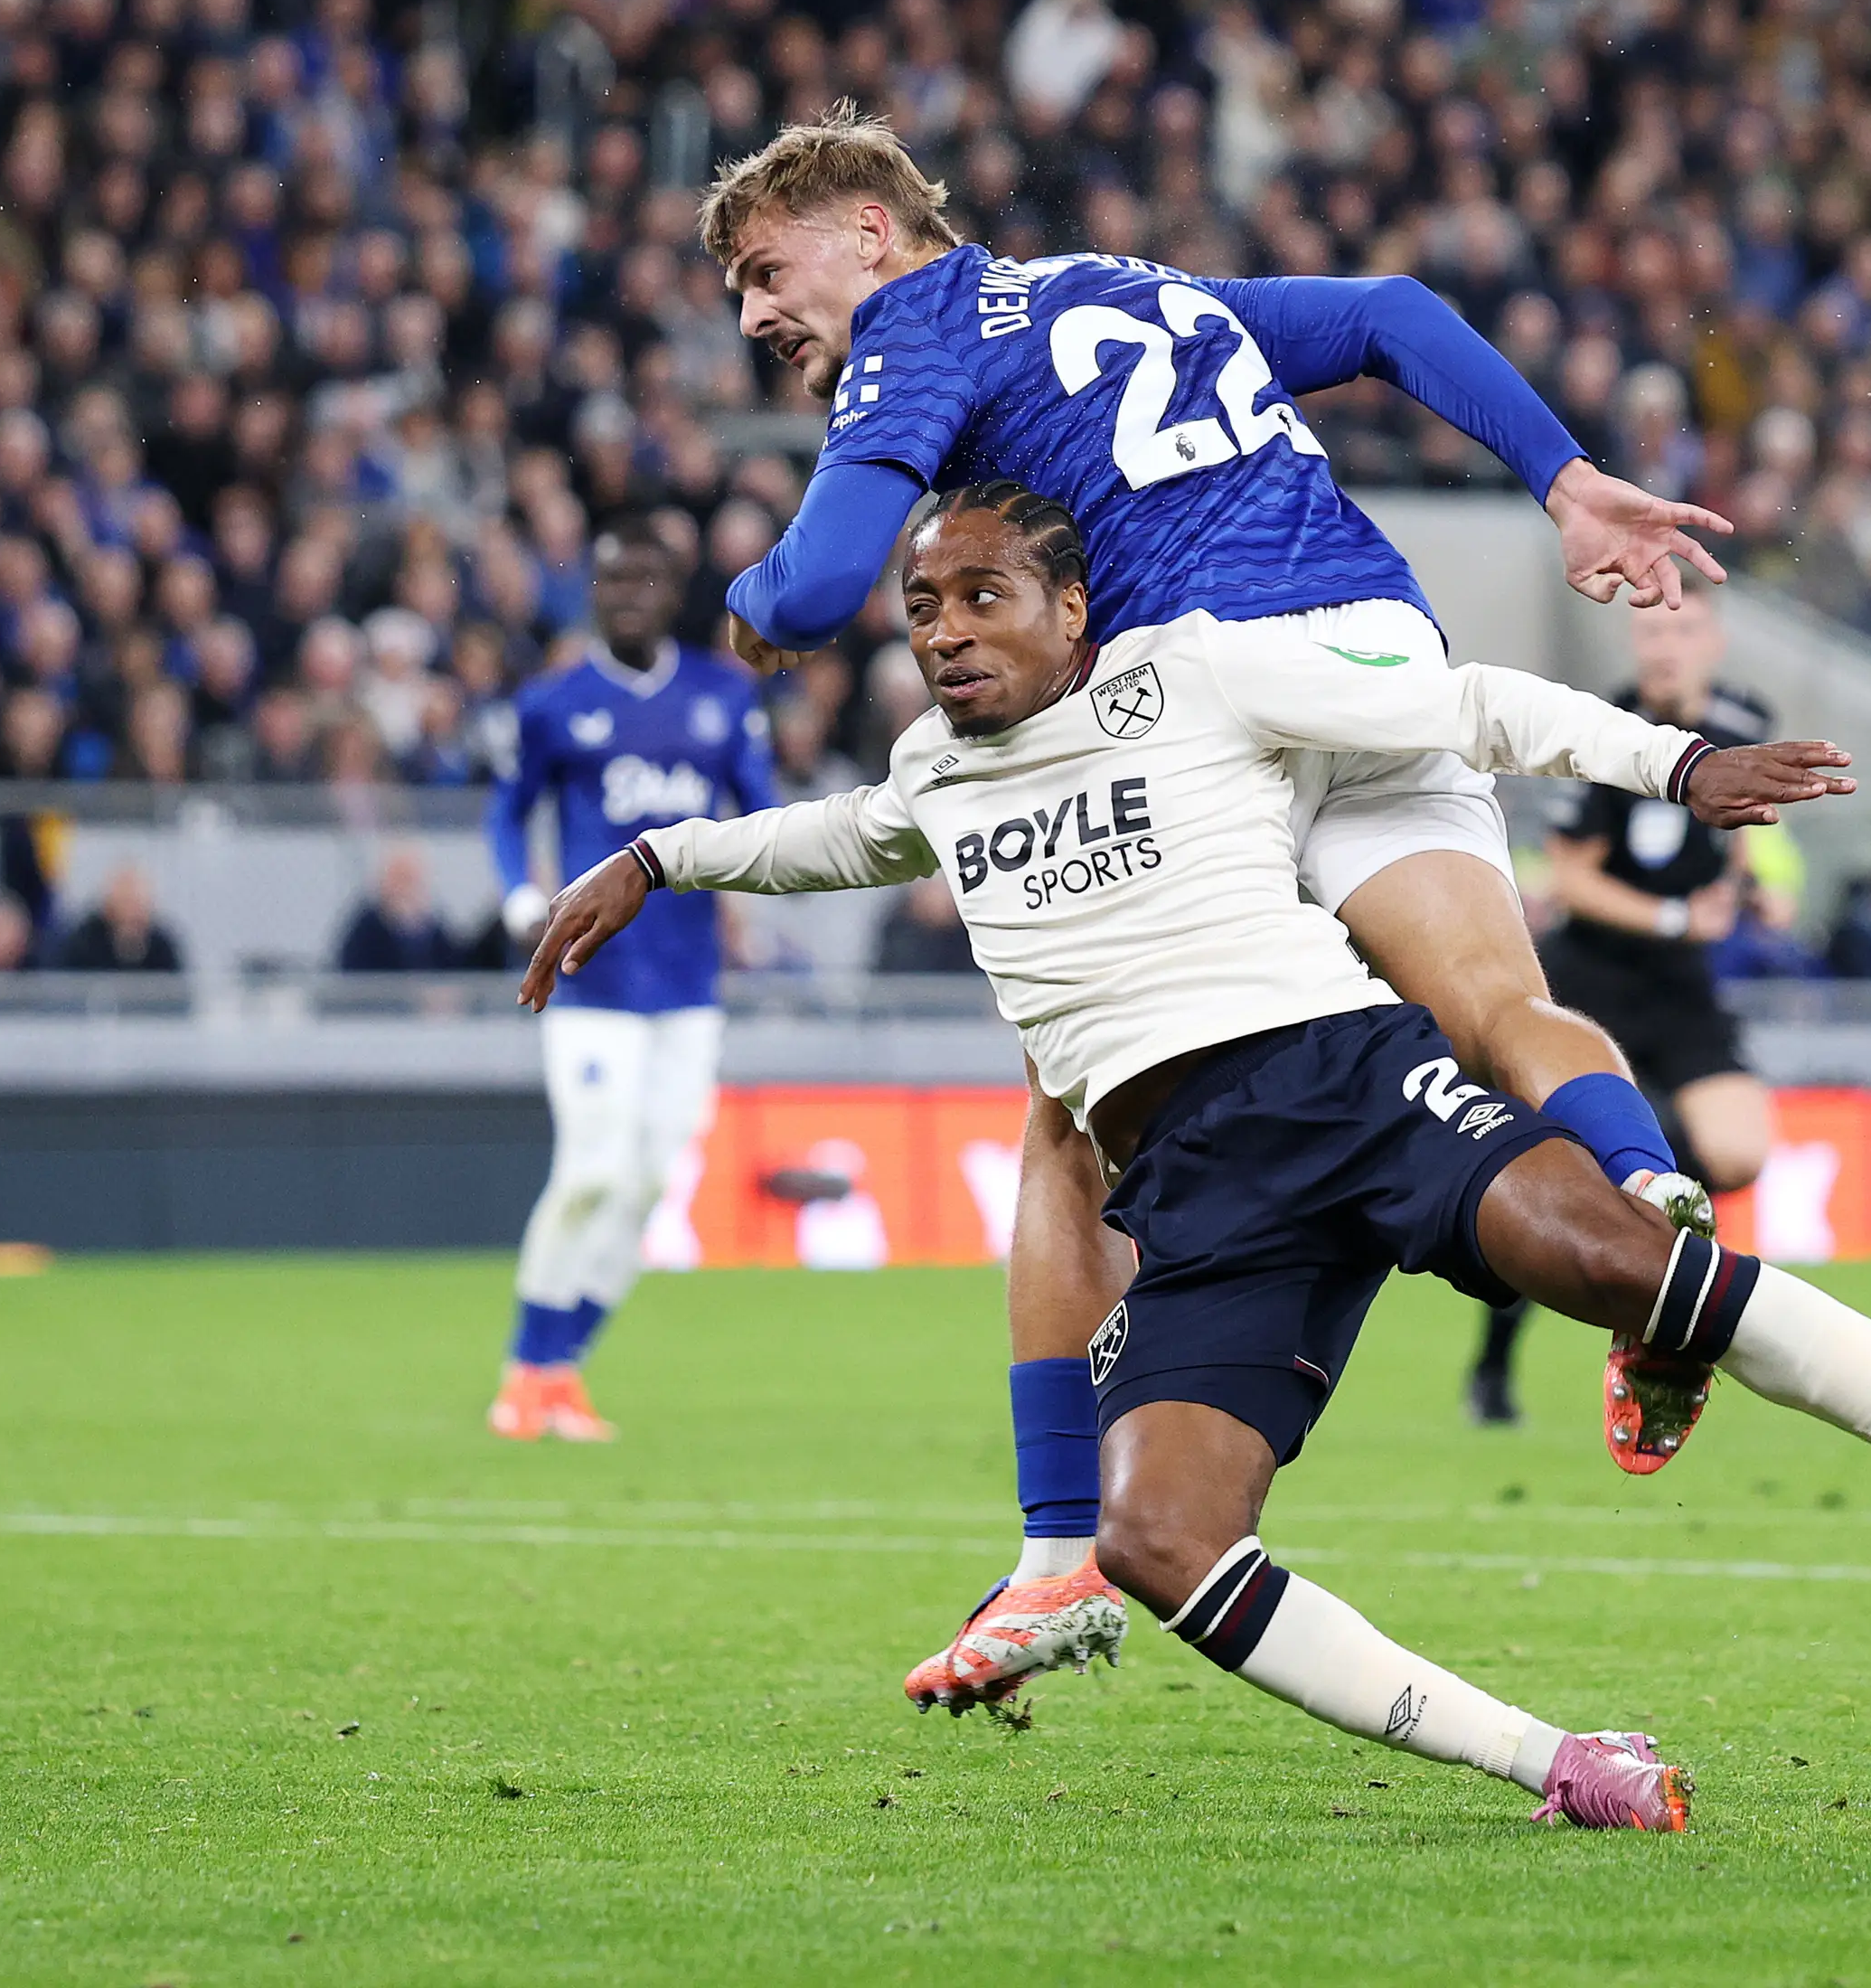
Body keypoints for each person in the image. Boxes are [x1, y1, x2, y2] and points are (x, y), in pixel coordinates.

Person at [527, 489, 1871, 1827]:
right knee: (1159, 1541)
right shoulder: (930, 772)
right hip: (1191, 1191)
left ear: (1071, 609)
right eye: (921, 609)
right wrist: (657, 858)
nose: (947, 633)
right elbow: (828, 839)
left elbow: (1463, 702)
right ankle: (1561, 1759)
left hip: (1341, 1080)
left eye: (982, 598)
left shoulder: (1188, 673)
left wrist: (1675, 761)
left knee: (1630, 1262)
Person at [696, 106, 1742, 1709]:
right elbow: (1392, 316)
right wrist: (1568, 478)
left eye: (767, 272)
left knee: (1066, 1105)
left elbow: (827, 581)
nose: (759, 316)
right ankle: (1650, 1208)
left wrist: (751, 601)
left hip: (1206, 708)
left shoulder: (910, 336)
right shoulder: (1128, 287)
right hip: (1376, 657)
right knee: (1488, 998)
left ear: (871, 233)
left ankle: (1053, 1562)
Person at [482, 515, 776, 1442]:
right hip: (590, 974)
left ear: (672, 593)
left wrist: (755, 895)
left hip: (690, 981)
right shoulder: (554, 702)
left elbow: (762, 813)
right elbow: (507, 809)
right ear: (592, 593)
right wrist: (521, 894)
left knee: (647, 1184)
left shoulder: (724, 700)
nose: (628, 597)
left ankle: (558, 1367)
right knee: (594, 1166)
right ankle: (526, 1370)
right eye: (612, 582)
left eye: (646, 582)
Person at [1481, 594, 1780, 1426]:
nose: (1665, 646)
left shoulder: (1746, 719)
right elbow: (1569, 877)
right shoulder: (1609, 731)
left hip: (1681, 985)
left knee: (1740, 1149)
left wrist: (1748, 887)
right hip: (1596, 980)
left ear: (1712, 642)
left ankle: (1642, 1255)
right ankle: (1496, 1364)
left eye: (1681, 630)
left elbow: (1737, 828)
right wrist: (1680, 916)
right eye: (1651, 630)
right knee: (1570, 1178)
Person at [335, 848, 465, 972]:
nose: (406, 888)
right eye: (401, 877)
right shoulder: (364, 931)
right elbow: (354, 976)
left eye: (413, 878)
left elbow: (454, 970)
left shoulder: (436, 931)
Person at [59, 862, 184, 973]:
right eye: (125, 902)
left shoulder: (162, 947)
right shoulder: (84, 942)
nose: (131, 913)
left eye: (136, 904)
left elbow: (177, 991)